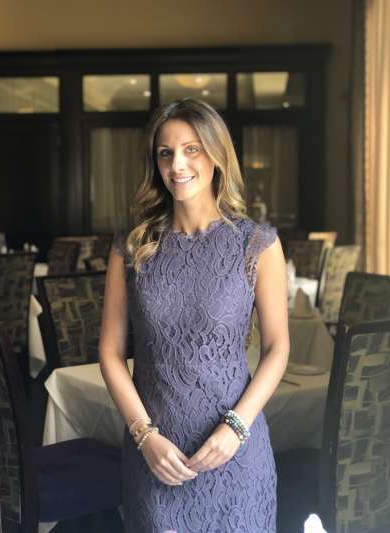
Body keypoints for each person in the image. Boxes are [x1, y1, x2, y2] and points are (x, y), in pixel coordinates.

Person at [99, 98, 289, 532]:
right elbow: (109, 353)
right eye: (165, 152)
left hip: (237, 455)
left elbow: (278, 349)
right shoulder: (132, 247)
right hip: (156, 457)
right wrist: (144, 436)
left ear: (217, 154)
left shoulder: (256, 244)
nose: (177, 164)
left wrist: (235, 428)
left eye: (192, 149)